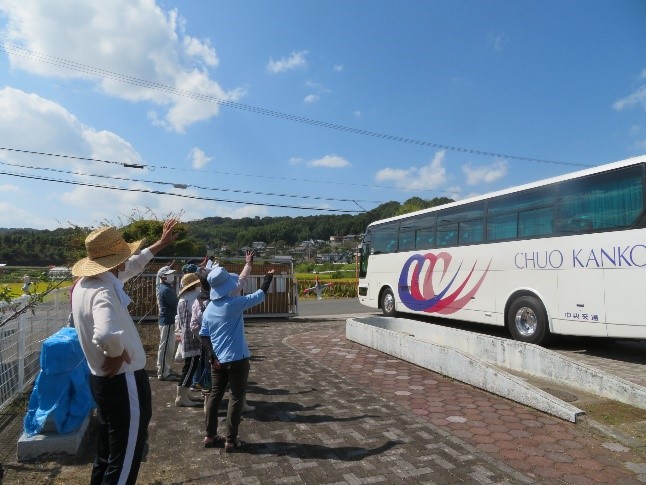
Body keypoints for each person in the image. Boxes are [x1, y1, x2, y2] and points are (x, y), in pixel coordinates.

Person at [71, 218, 178, 485]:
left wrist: (159, 244)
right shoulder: (103, 292)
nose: (125, 262)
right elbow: (106, 334)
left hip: (101, 381)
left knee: (107, 452)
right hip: (124, 379)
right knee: (125, 458)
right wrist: (116, 352)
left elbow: (133, 265)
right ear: (114, 261)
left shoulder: (84, 285)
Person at [202, 266, 273, 451]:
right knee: (236, 397)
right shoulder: (233, 303)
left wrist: (212, 355)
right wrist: (268, 278)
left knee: (214, 396)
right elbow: (258, 295)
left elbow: (203, 335)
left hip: (217, 360)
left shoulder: (209, 308)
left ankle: (209, 435)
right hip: (237, 358)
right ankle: (231, 440)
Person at [174, 272, 204, 407]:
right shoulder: (194, 298)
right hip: (193, 336)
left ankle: (185, 393)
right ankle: (180, 396)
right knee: (191, 366)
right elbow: (198, 317)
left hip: (185, 335)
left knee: (190, 365)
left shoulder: (182, 298)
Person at [157, 266, 180, 381]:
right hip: (167, 321)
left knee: (169, 347)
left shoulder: (166, 287)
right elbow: (176, 303)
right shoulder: (165, 289)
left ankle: (166, 369)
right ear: (163, 277)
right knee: (165, 348)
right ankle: (162, 373)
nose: (172, 276)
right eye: (169, 274)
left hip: (169, 321)